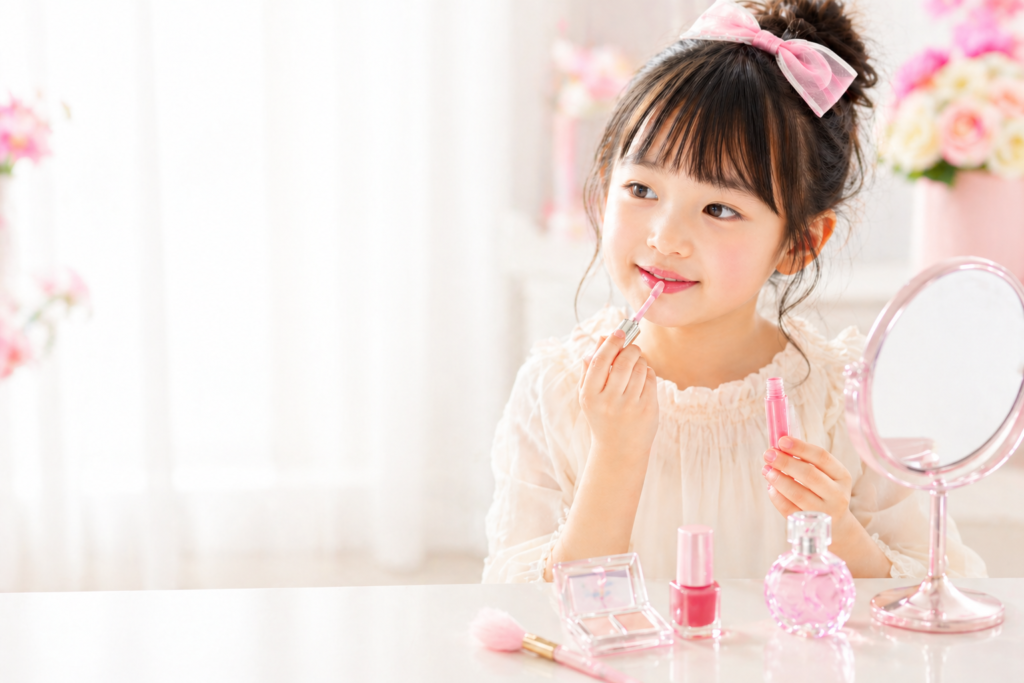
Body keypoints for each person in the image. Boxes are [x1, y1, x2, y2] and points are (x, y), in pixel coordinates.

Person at [482, 0, 986, 583]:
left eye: (719, 208)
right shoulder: (558, 395)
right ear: (603, 185)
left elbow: (940, 597)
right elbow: (531, 619)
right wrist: (616, 455)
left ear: (799, 243)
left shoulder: (839, 405)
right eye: (642, 188)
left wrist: (838, 530)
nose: (666, 237)